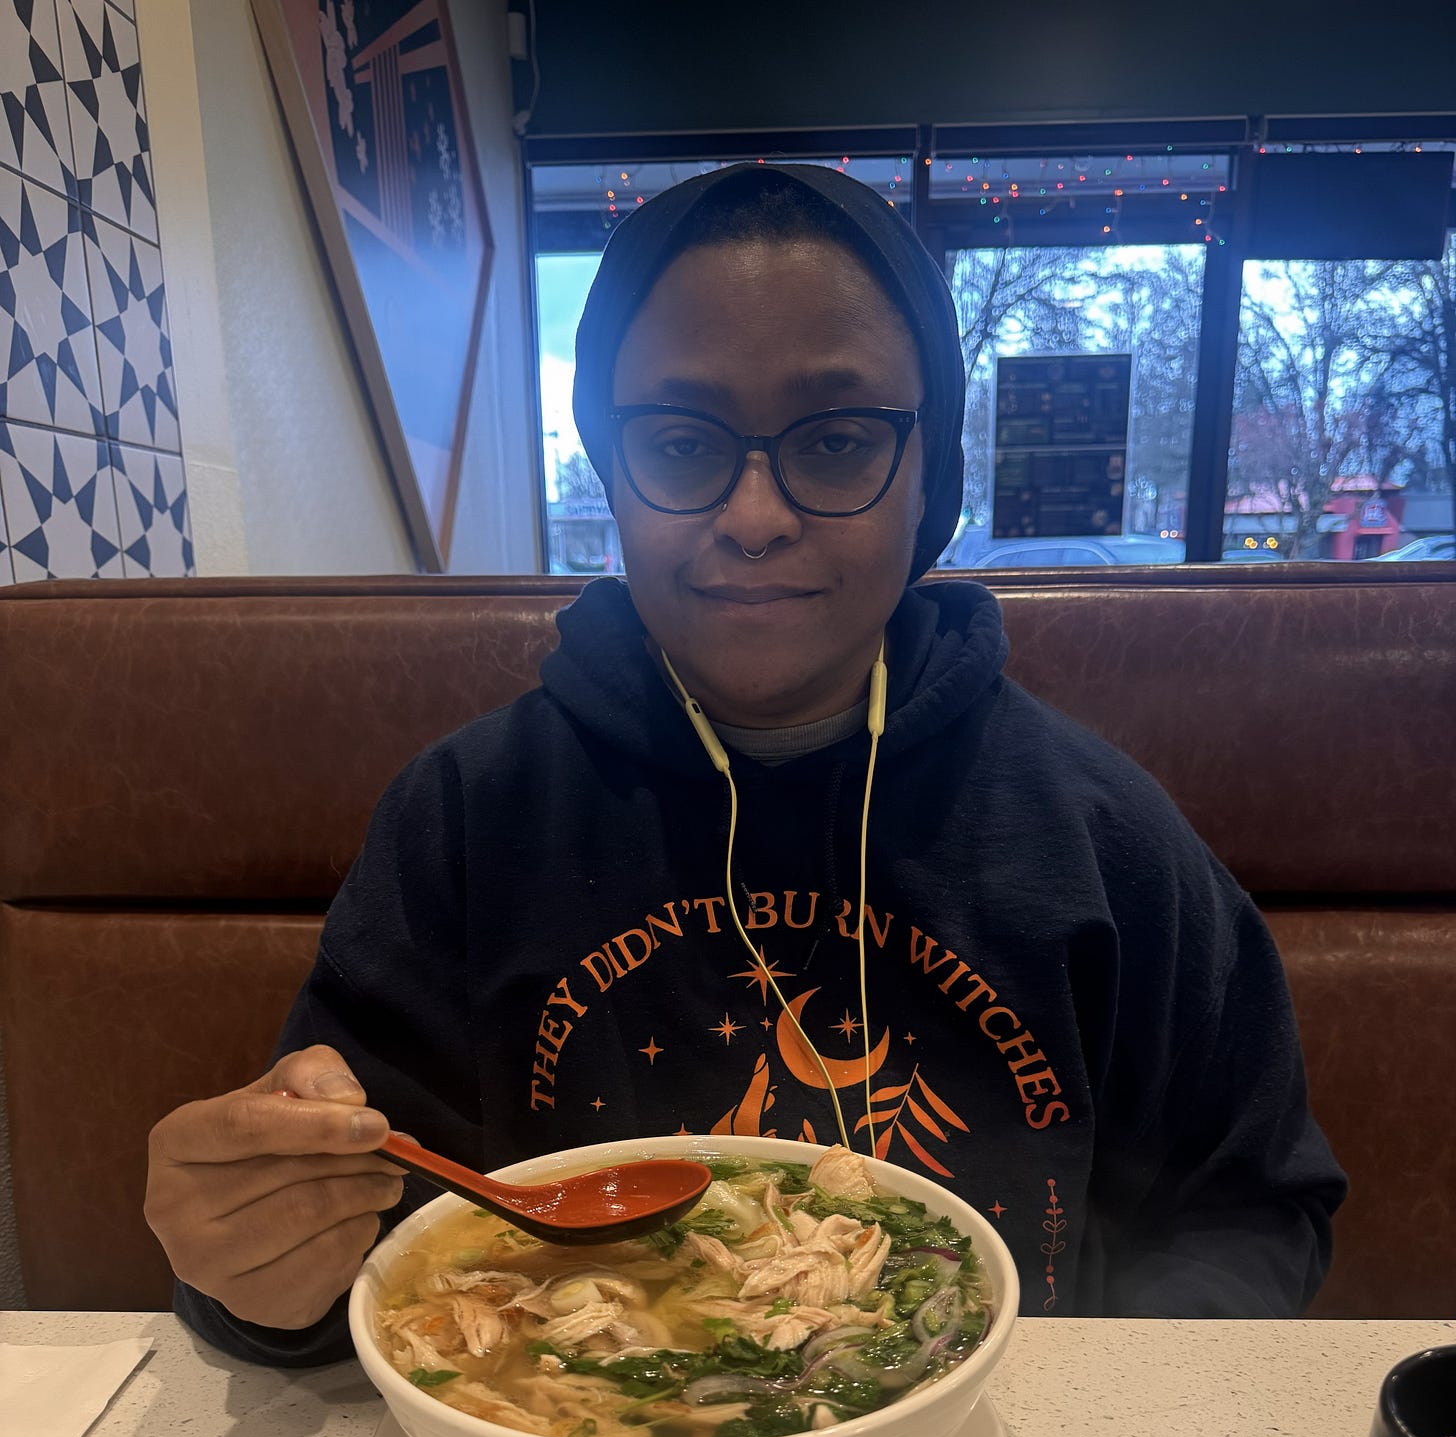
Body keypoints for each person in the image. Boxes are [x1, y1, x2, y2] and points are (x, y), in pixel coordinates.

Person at [146, 163, 1345, 1368]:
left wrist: (1106, 1416)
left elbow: (1247, 1203)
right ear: (610, 469)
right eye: (679, 440)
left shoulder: (1100, 835)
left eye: (834, 440)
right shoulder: (466, 818)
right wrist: (262, 1271)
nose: (756, 513)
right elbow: (367, 1237)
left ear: (931, 473)